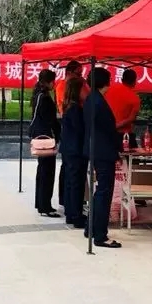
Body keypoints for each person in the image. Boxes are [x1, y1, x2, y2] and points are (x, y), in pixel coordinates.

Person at [83, 66, 122, 248]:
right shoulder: (98, 101)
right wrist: (118, 148)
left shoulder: (91, 99)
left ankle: (91, 228)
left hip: (96, 149)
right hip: (104, 151)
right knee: (104, 192)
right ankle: (100, 234)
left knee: (100, 191)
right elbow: (109, 129)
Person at [29, 68, 60, 218]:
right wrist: (58, 134)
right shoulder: (45, 98)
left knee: (42, 171)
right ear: (49, 82)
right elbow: (51, 120)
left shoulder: (37, 95)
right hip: (46, 138)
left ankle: (41, 203)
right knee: (48, 172)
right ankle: (45, 206)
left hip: (39, 136)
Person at [60, 77, 88, 228]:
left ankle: (71, 213)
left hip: (69, 149)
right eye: (84, 88)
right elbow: (81, 130)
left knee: (71, 182)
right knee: (76, 182)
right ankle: (76, 215)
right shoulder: (76, 109)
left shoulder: (69, 106)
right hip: (75, 150)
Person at [105, 69, 141, 148]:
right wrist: (117, 126)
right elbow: (131, 118)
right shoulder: (135, 98)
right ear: (134, 81)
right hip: (124, 135)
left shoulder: (108, 90)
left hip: (106, 132)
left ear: (122, 79)